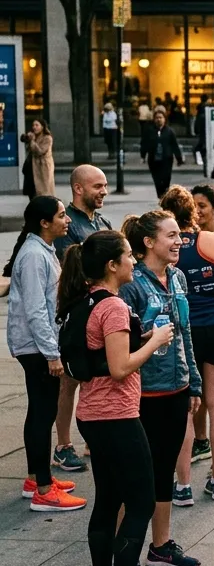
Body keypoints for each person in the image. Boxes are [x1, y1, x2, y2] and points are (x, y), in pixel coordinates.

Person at [59, 230, 176, 566]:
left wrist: (138, 340)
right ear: (112, 266)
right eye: (128, 255)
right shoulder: (111, 307)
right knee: (141, 503)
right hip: (117, 418)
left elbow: (105, 356)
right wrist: (156, 340)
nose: (133, 261)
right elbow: (120, 367)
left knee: (108, 500)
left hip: (93, 415)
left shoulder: (87, 300)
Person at [119, 211, 202, 566]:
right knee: (136, 473)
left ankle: (161, 545)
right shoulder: (131, 284)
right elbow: (119, 342)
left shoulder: (178, 277)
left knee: (165, 467)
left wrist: (194, 380)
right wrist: (151, 339)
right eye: (171, 236)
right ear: (148, 242)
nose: (179, 241)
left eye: (180, 235)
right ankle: (126, 553)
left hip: (177, 388)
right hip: (142, 392)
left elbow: (185, 334)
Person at [159, 187, 214, 502]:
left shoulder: (163, 246)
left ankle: (182, 485)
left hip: (185, 330)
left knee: (183, 409)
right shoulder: (212, 240)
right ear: (192, 213)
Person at [6, 196, 85, 510]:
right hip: (36, 346)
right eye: (62, 215)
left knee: (40, 412)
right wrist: (52, 354)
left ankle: (36, 479)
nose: (67, 221)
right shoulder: (34, 256)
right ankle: (42, 490)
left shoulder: (40, 250)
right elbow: (37, 310)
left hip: (36, 345)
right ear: (44, 222)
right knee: (42, 413)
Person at [51, 165, 113, 472]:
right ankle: (63, 445)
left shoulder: (101, 221)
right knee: (70, 380)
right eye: (97, 186)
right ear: (78, 189)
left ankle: (93, 438)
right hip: (78, 314)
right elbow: (70, 272)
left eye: (104, 186)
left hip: (101, 313)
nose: (104, 191)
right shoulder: (68, 225)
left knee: (96, 375)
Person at [141, 108, 183, 199]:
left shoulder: (169, 131)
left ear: (164, 119)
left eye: (161, 117)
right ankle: (160, 197)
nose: (158, 119)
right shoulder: (149, 131)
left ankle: (165, 197)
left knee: (166, 179)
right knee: (157, 180)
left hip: (166, 159)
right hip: (154, 159)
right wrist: (143, 155)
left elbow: (174, 145)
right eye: (156, 118)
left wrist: (179, 158)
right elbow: (144, 143)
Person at [21, 119, 55, 198]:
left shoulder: (47, 138)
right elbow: (29, 150)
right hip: (32, 167)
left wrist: (32, 141)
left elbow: (40, 151)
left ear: (42, 127)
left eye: (37, 125)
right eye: (33, 125)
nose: (34, 127)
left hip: (42, 168)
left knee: (44, 192)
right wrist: (28, 140)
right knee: (32, 191)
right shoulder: (34, 137)